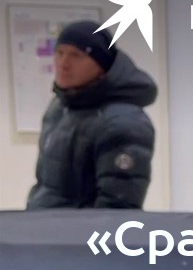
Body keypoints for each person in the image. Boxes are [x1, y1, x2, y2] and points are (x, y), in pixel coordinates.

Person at [25, 21, 156, 209]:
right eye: (60, 53)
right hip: (43, 222)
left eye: (76, 56)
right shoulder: (60, 107)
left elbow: (117, 208)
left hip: (76, 228)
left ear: (102, 66)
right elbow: (48, 187)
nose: (63, 64)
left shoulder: (123, 122)